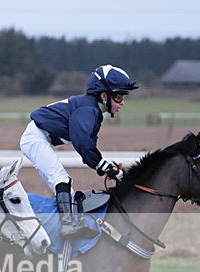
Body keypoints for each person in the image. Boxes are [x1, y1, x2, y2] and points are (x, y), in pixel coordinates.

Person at [20, 64, 138, 239]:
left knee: (68, 190)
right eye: (119, 96)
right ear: (104, 96)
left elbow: (89, 150)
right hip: (35, 137)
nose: (122, 102)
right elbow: (82, 143)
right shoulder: (88, 110)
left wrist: (105, 167)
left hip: (40, 137)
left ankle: (73, 224)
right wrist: (104, 166)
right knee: (61, 179)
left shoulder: (94, 113)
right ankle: (67, 226)